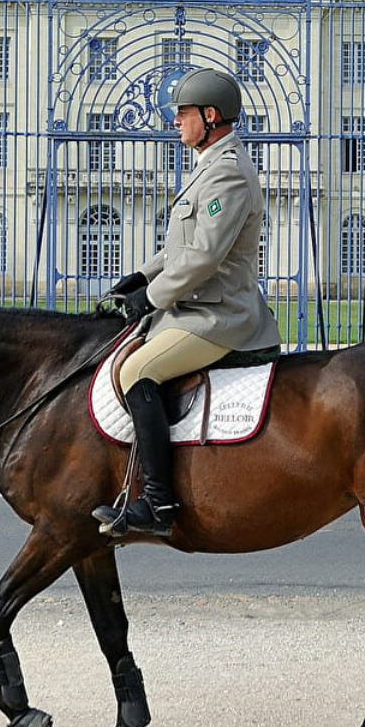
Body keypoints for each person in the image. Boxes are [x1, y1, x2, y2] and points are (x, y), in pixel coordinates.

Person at [92, 67, 281, 537]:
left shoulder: (229, 174)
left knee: (136, 371)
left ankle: (157, 505)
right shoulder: (210, 167)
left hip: (220, 316)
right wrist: (141, 275)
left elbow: (203, 257)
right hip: (192, 308)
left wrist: (150, 298)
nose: (175, 122)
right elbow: (180, 247)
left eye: (183, 113)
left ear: (210, 115)